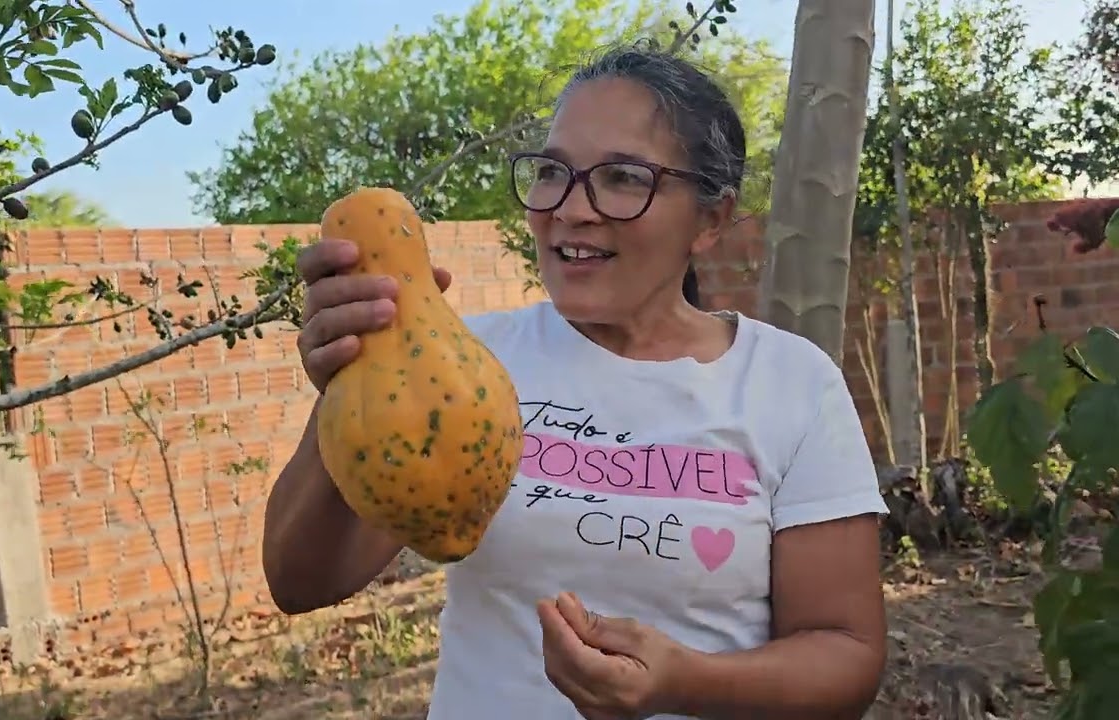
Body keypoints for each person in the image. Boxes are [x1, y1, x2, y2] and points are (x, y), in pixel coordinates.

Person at [263, 40, 889, 720]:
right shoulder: (469, 364)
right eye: (552, 172)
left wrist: (686, 683)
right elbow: (300, 583)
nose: (570, 208)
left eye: (622, 177)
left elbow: (846, 655)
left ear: (709, 220)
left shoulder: (791, 383)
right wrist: (349, 384)